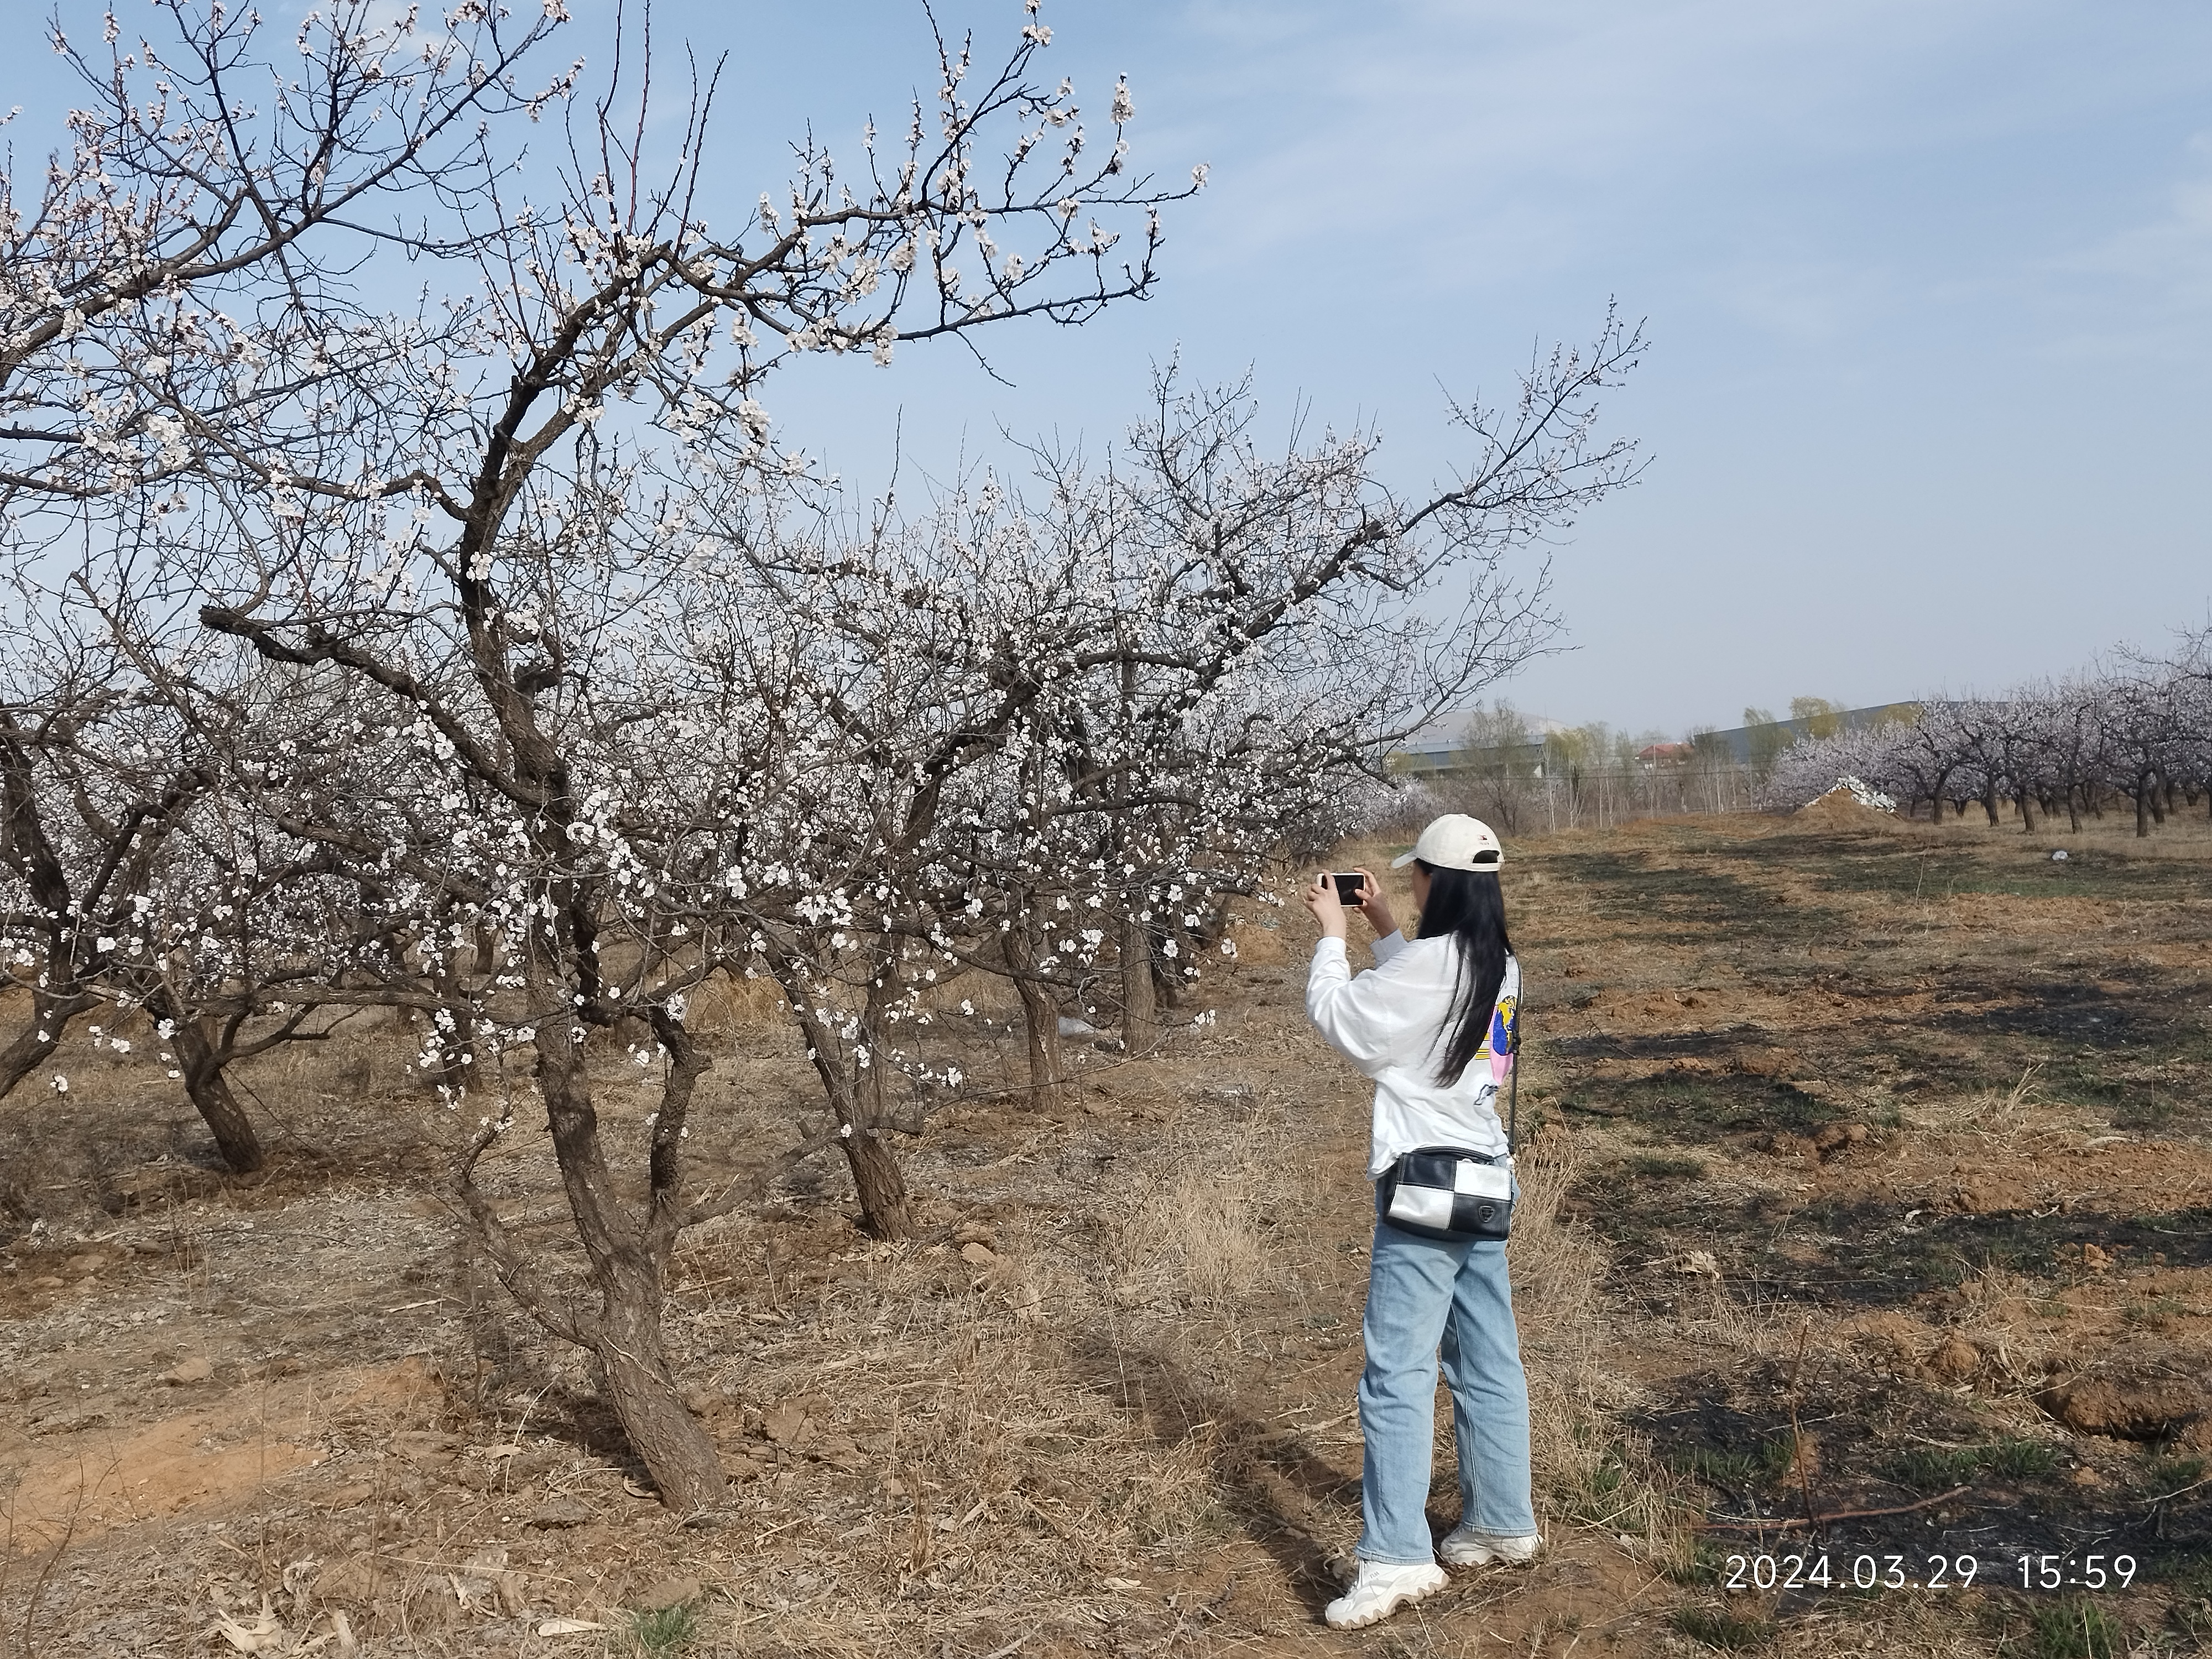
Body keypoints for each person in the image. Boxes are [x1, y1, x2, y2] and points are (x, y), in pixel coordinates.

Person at [1301, 813, 1540, 1631]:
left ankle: (1397, 1556)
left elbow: (1349, 1022)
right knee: (1488, 1356)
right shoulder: (1500, 963)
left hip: (1423, 1189)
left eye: (1413, 879)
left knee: (1397, 1372)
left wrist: (1332, 936)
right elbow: (1436, 1007)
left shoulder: (1438, 966)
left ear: (1437, 882)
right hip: (1483, 1183)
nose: (1408, 887)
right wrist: (1382, 929)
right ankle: (1503, 1521)